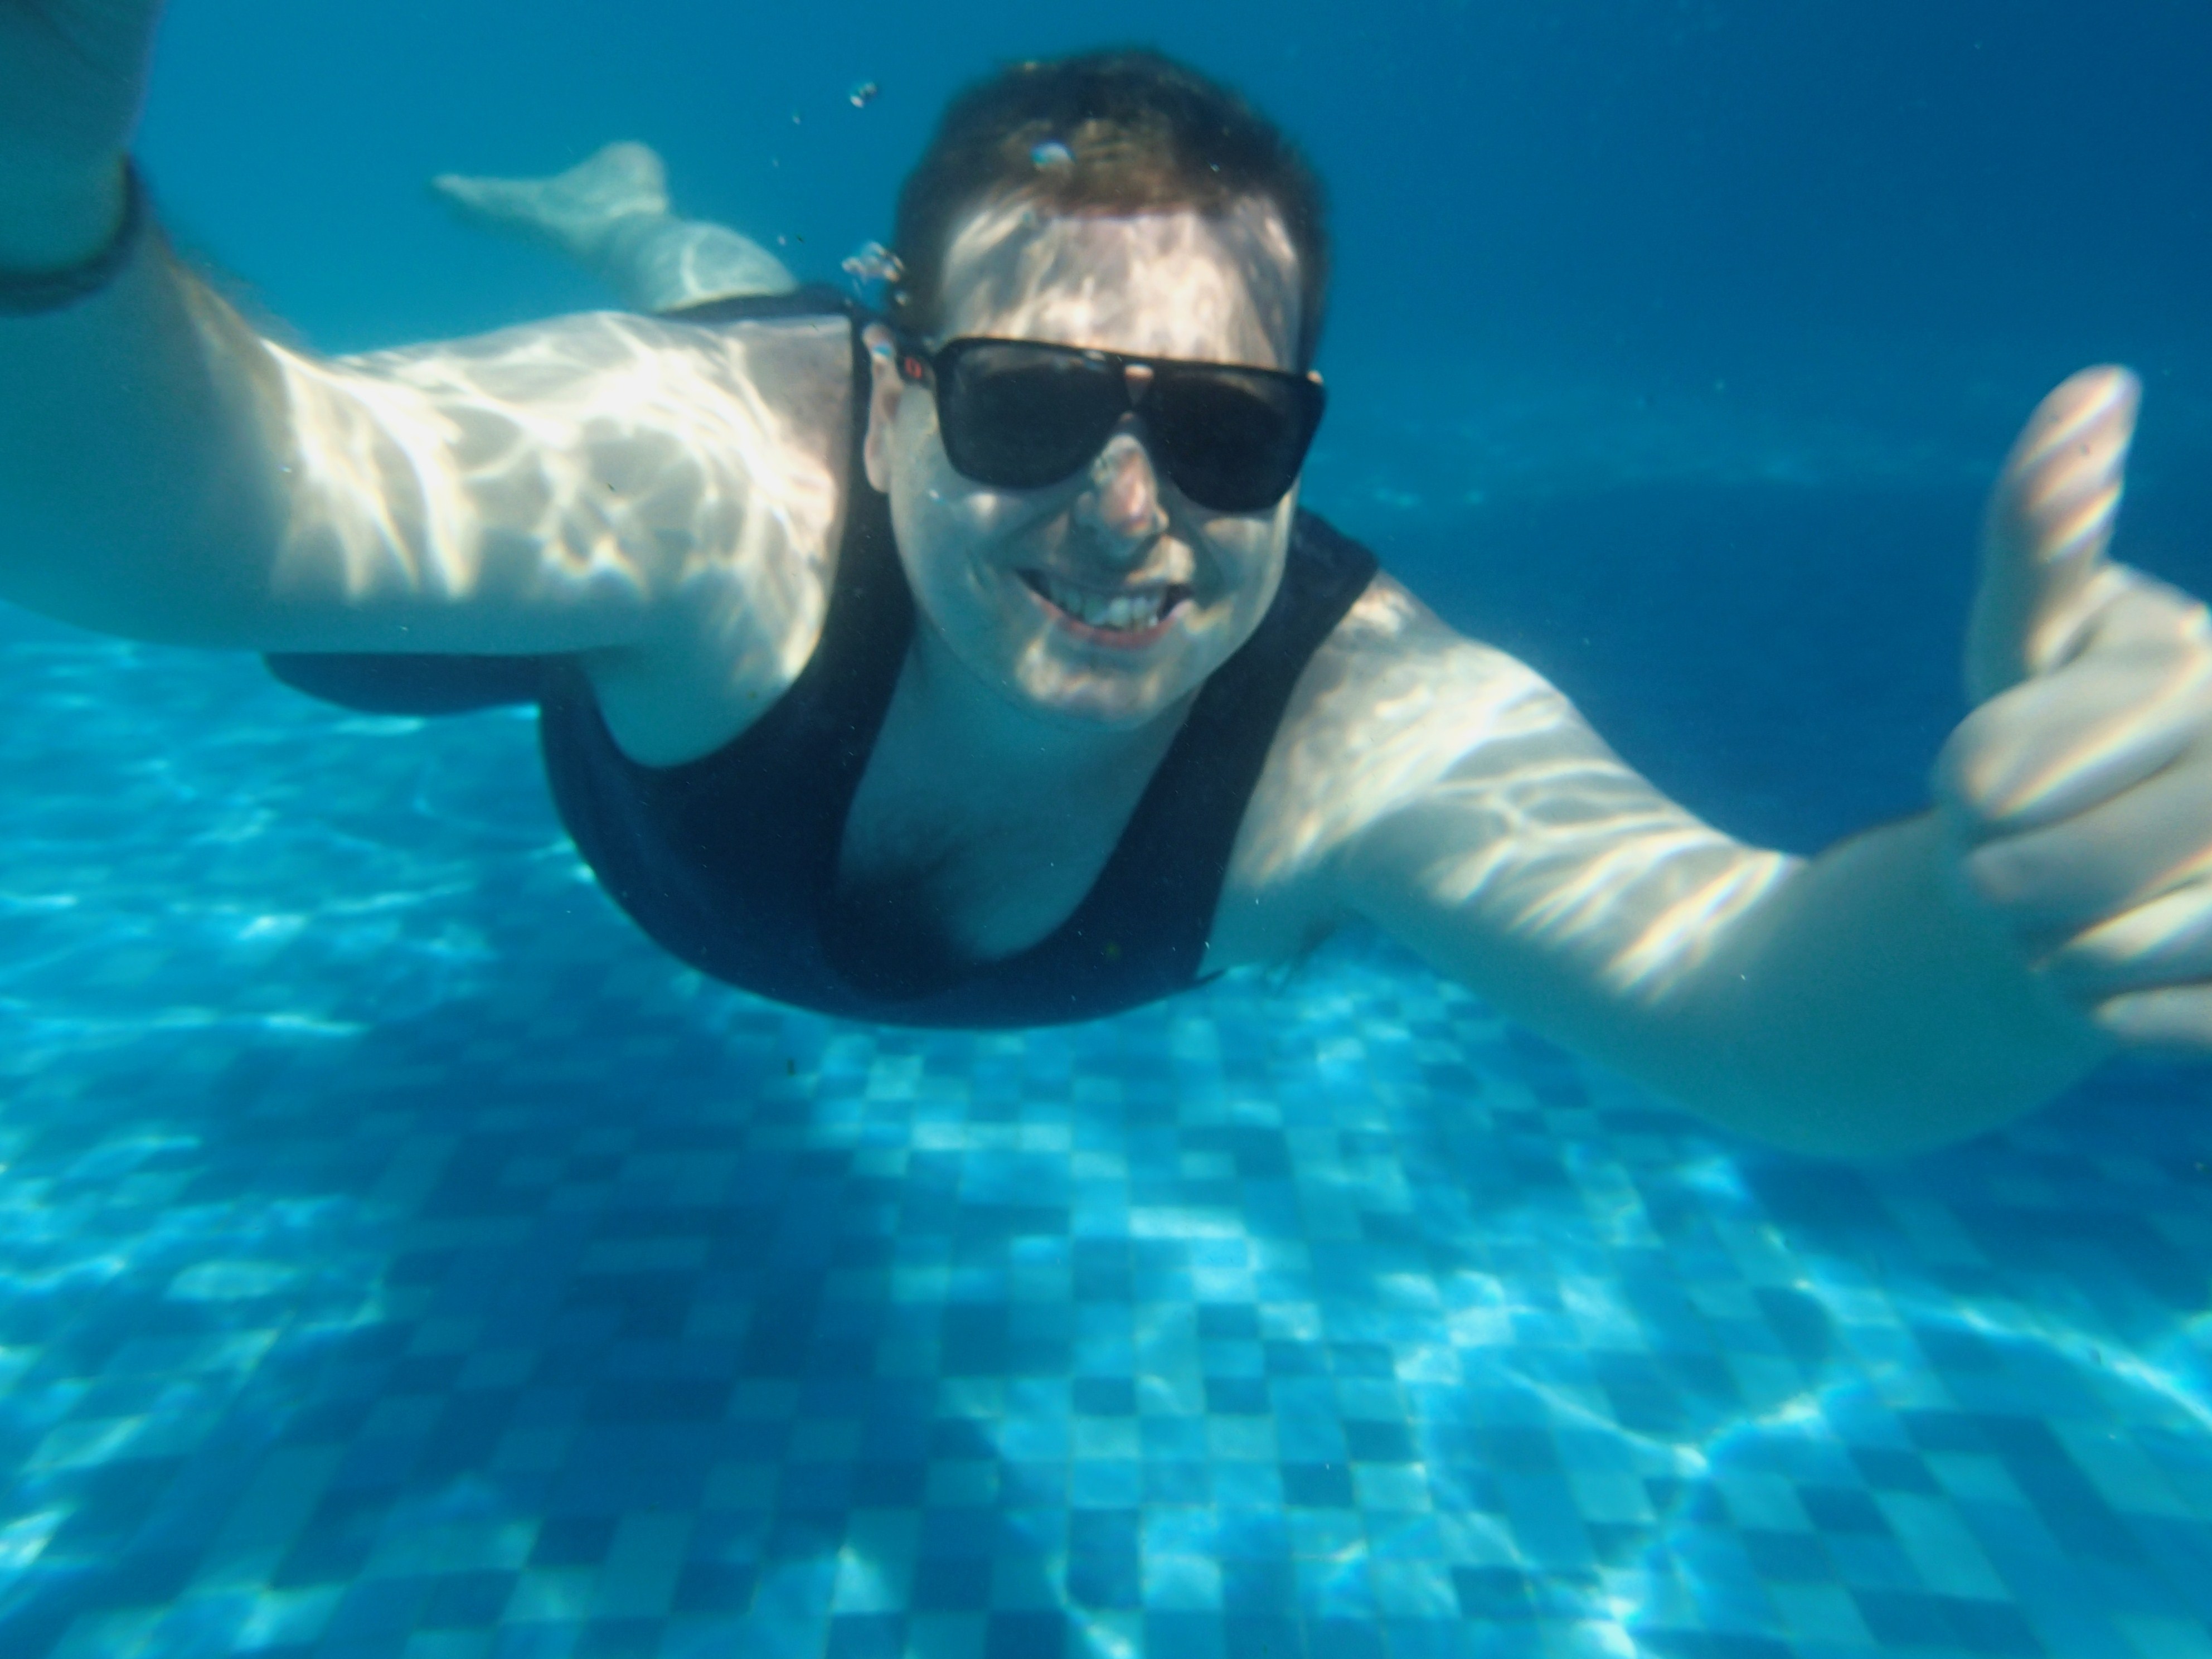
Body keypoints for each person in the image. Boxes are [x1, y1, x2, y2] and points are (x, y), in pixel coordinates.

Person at [3, 13, 2210, 1161]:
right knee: (342, 622)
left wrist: (2007, 918)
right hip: (758, 401)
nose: (1130, 511)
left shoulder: (1360, 727)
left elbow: (1764, 1011)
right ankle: (648, 232)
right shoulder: (708, 475)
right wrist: (30, 195)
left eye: (1225, 431)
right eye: (1034, 406)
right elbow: (188, 516)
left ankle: (670, 216)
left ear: (1305, 434)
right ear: (898, 401)